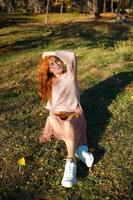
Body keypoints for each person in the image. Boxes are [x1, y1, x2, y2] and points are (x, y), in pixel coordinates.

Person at [37, 50, 94, 188]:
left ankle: (70, 162)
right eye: (52, 64)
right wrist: (54, 113)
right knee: (52, 118)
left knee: (68, 126)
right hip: (58, 115)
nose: (56, 64)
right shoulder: (50, 82)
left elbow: (71, 55)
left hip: (74, 113)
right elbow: (51, 105)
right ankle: (79, 151)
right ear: (48, 70)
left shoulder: (69, 74)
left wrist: (49, 53)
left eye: (57, 61)